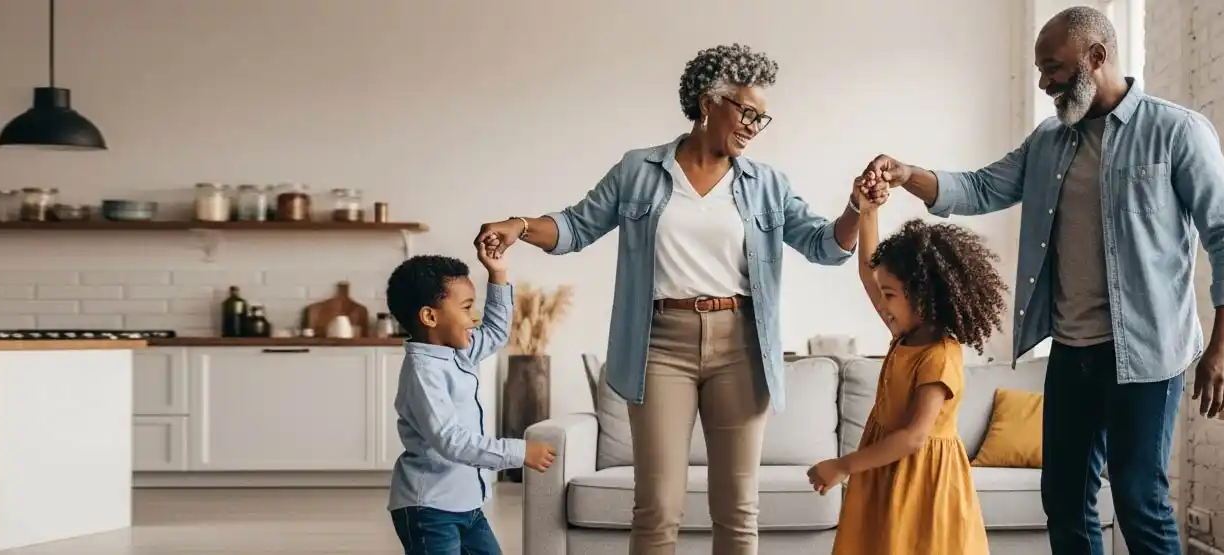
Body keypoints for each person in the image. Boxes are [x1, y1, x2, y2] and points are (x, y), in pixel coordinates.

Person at [856, 7, 1224, 555]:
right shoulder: (1050, 139)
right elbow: (978, 188)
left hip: (1146, 353)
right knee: (1064, 500)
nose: (1044, 83)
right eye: (1041, 70)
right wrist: (907, 175)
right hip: (1072, 350)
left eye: (1054, 68)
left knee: (1140, 498)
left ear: (1097, 58)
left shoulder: (1175, 131)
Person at [473, 44, 870, 555]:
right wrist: (520, 225)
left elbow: (825, 245)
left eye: (761, 118)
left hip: (742, 347)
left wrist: (856, 208)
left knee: (737, 509)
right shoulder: (639, 170)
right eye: (747, 112)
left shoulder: (768, 184)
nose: (753, 125)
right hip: (658, 345)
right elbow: (575, 226)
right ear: (709, 103)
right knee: (657, 507)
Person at [807, 178, 1004, 555]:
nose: (883, 304)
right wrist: (868, 212)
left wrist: (844, 465)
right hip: (886, 471)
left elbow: (915, 437)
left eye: (890, 296)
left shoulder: (939, 356)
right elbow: (869, 272)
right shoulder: (905, 334)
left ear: (923, 296)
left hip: (920, 481)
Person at [385, 252, 557, 555]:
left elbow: (495, 332)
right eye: (466, 307)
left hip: (467, 505)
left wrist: (498, 274)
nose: (474, 316)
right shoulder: (424, 373)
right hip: (430, 510)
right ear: (430, 317)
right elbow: (451, 442)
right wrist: (518, 451)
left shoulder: (456, 352)